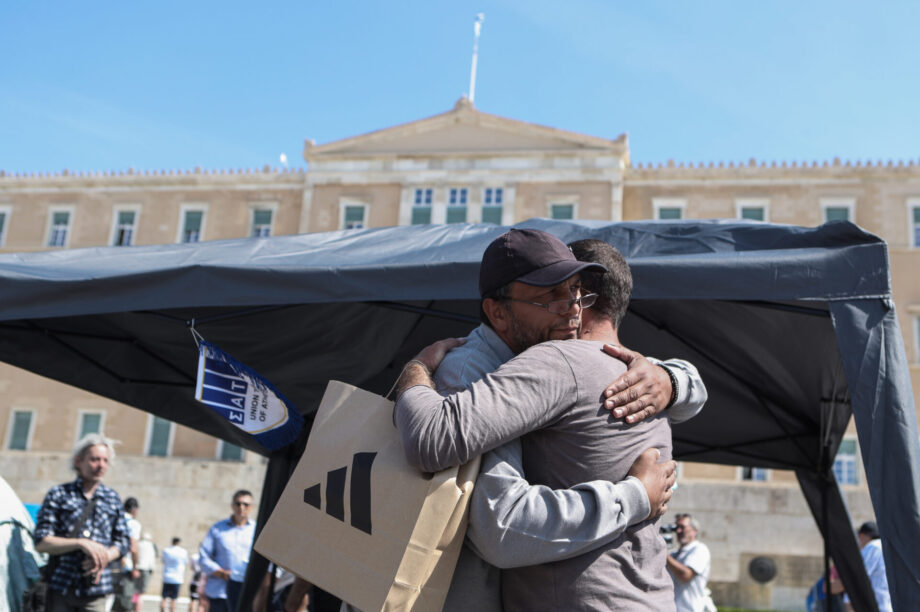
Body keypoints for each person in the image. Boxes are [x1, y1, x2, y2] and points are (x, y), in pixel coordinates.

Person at [394, 231, 707, 609]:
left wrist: (673, 380)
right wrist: (635, 496)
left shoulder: (589, 367)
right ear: (497, 312)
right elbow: (502, 526)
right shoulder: (472, 370)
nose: (573, 309)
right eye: (549, 297)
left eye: (576, 291)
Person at [33, 433, 130, 612]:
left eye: (105, 460)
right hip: (61, 587)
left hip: (97, 590)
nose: (101, 465)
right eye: (95, 459)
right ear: (79, 461)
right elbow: (41, 542)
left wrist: (104, 556)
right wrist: (81, 544)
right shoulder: (59, 494)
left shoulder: (112, 498)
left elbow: (123, 541)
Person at [199, 489, 257, 612]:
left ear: (252, 507)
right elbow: (203, 557)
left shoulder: (257, 530)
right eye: (238, 503)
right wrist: (222, 573)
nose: (241, 507)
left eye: (246, 504)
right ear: (232, 505)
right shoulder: (217, 528)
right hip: (220, 592)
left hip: (246, 592)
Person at [838, 521, 891, 612]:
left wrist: (848, 603)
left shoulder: (872, 547)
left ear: (861, 536)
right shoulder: (885, 547)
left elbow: (857, 578)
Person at [667, 513, 712, 612]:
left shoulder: (700, 550)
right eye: (676, 528)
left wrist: (665, 556)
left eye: (682, 527)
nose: (678, 531)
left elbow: (686, 575)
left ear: (694, 531)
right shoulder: (674, 554)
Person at [113, 497, 142, 612]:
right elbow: (133, 548)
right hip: (126, 566)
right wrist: (135, 567)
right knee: (125, 601)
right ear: (134, 509)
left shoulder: (115, 520)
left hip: (111, 563)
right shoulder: (133, 524)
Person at [160, 537, 189, 612]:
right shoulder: (183, 551)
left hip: (167, 576)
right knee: (174, 599)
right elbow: (186, 562)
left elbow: (163, 561)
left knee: (164, 598)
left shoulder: (166, 550)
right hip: (177, 578)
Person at [135, 531, 157, 610]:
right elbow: (152, 560)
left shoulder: (138, 544)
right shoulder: (151, 546)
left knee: (135, 592)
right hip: (146, 570)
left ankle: (134, 608)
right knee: (140, 594)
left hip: (137, 569)